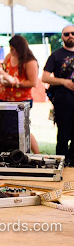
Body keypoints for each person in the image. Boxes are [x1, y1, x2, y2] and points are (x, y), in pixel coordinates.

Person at [0, 36, 40, 154]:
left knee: (20, 128)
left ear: (19, 48)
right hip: (4, 97)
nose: (11, 51)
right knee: (2, 128)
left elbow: (33, 82)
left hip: (21, 100)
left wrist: (16, 84)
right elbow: (4, 71)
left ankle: (32, 153)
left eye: (13, 49)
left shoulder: (30, 61)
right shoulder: (9, 57)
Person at [42, 25, 74, 166]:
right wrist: (63, 82)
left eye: (73, 33)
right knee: (63, 134)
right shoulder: (56, 55)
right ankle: (61, 164)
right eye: (66, 34)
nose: (70, 36)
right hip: (63, 100)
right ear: (62, 37)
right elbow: (44, 77)